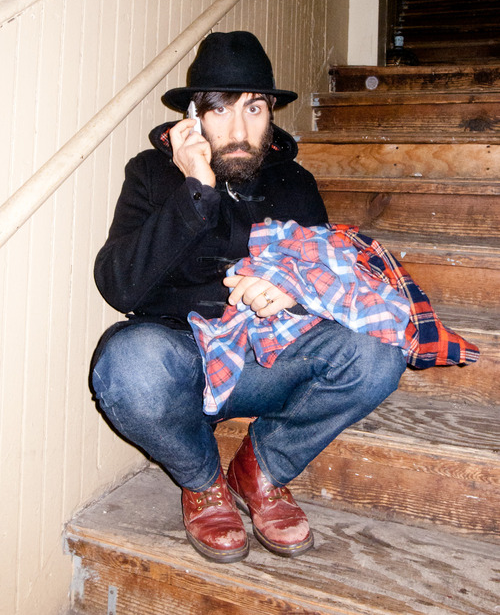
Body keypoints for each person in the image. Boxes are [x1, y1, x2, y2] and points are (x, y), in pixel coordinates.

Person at [91, 31, 407, 564]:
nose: (239, 131)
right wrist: (196, 189)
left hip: (270, 360)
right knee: (128, 367)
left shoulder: (295, 182)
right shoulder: (151, 173)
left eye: (254, 109)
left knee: (381, 352)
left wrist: (293, 292)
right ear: (194, 117)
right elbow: (118, 284)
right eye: (221, 110)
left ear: (271, 115)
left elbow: (333, 280)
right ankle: (203, 482)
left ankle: (261, 469)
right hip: (184, 360)